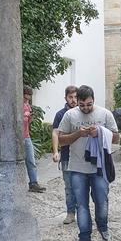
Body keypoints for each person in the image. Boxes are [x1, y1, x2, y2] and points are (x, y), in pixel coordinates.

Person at [58, 85, 119, 241]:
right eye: (82, 105)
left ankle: (103, 230)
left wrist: (100, 132)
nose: (85, 108)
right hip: (77, 168)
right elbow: (61, 140)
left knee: (102, 201)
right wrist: (78, 134)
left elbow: (117, 138)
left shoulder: (105, 114)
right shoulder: (69, 115)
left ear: (94, 100)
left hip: (99, 167)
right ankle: (84, 238)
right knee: (81, 205)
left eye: (89, 104)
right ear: (76, 102)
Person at [52, 85, 78, 224]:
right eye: (71, 97)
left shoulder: (83, 113)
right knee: (69, 187)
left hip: (81, 157)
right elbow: (55, 133)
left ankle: (83, 212)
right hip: (67, 156)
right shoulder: (60, 115)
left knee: (81, 186)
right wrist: (56, 151)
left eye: (75, 97)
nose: (73, 100)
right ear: (66, 98)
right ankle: (70, 212)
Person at [23, 86, 46, 193]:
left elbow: (28, 121)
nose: (27, 99)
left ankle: (33, 183)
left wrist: (30, 117)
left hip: (26, 136)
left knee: (31, 160)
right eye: (26, 96)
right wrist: (25, 115)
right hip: (17, 137)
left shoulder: (28, 105)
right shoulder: (17, 104)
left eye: (29, 97)